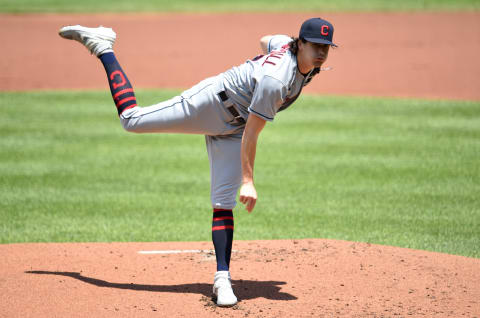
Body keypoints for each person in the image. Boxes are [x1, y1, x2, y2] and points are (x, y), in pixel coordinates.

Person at [58, 17, 336, 307]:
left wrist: (268, 56)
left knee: (223, 202)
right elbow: (253, 134)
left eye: (326, 47)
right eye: (315, 45)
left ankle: (222, 279)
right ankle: (103, 46)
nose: (321, 52)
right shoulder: (276, 81)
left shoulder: (294, 53)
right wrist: (248, 181)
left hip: (234, 127)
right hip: (211, 104)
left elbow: (267, 39)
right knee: (131, 120)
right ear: (300, 43)